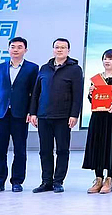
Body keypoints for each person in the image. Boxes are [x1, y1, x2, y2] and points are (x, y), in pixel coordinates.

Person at [29, 38, 84, 193]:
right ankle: (46, 181)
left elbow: (77, 95)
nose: (59, 50)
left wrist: (74, 115)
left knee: (62, 150)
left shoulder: (75, 69)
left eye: (63, 47)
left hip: (63, 117)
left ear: (68, 51)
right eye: (57, 47)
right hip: (43, 116)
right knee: (45, 150)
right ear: (53, 49)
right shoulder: (44, 68)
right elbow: (36, 92)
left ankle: (58, 181)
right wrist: (33, 112)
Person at [0, 37, 39, 193]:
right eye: (13, 46)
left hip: (20, 114)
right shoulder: (0, 67)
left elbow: (34, 93)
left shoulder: (32, 68)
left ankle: (17, 181)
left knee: (20, 150)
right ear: (8, 49)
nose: (15, 49)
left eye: (19, 47)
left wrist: (31, 111)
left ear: (25, 50)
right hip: (1, 113)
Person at [83, 49, 112, 194]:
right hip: (97, 117)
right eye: (105, 58)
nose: (107, 61)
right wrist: (91, 94)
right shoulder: (97, 78)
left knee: (111, 147)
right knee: (97, 146)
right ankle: (98, 179)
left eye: (110, 59)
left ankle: (109, 179)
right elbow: (93, 100)